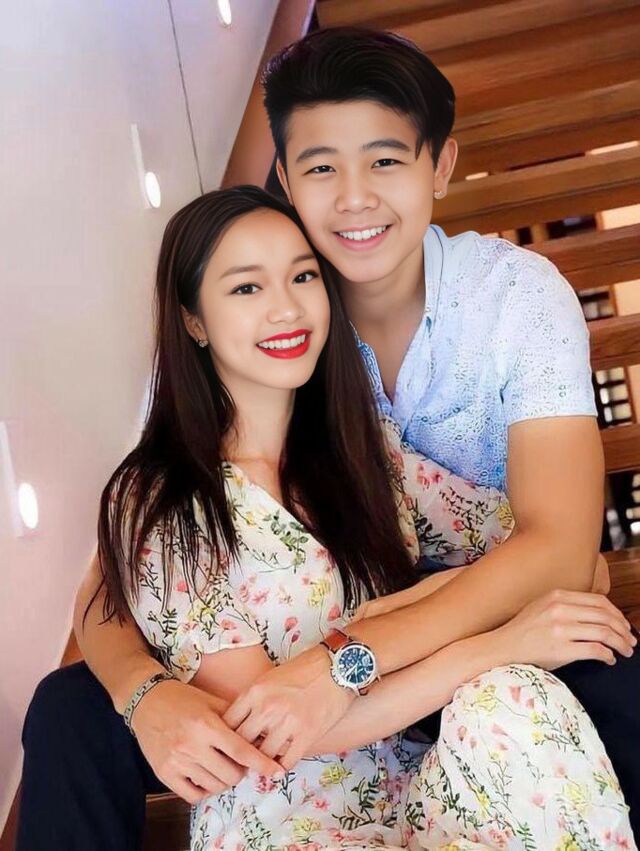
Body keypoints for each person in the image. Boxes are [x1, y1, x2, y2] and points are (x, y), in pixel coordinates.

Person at [17, 27, 640, 849]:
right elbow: (129, 591)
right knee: (67, 708)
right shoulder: (179, 483)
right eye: (247, 288)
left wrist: (366, 649)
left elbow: (558, 558)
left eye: (300, 278)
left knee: (565, 678)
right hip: (290, 789)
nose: (285, 305)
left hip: (408, 734)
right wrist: (143, 690)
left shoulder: (379, 429)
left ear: (440, 165)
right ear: (194, 320)